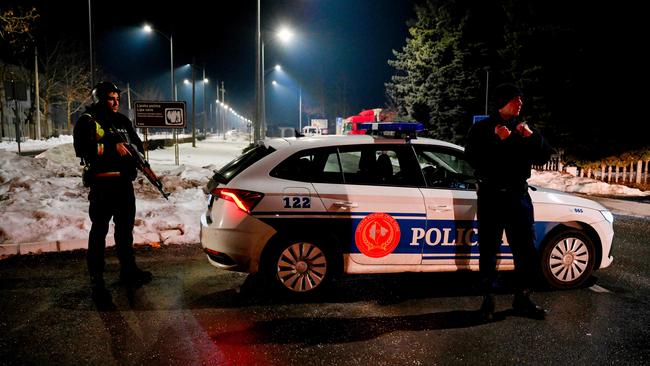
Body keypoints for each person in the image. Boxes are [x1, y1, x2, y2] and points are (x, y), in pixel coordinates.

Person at [465, 83, 554, 321]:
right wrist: (497, 141)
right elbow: (473, 158)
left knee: (525, 249)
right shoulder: (482, 128)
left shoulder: (523, 129)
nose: (520, 103)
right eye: (516, 99)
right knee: (489, 250)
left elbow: (544, 156)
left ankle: (523, 298)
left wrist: (532, 137)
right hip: (491, 196)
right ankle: (488, 301)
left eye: (521, 99)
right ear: (503, 102)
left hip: (518, 196)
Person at [73, 81, 152, 308]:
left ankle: (129, 271)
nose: (116, 102)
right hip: (102, 185)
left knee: (125, 230)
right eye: (111, 98)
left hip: (123, 185)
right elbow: (83, 149)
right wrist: (111, 148)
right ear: (99, 99)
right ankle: (96, 278)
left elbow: (136, 144)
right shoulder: (88, 120)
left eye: (118, 98)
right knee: (99, 231)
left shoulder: (122, 121)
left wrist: (136, 155)